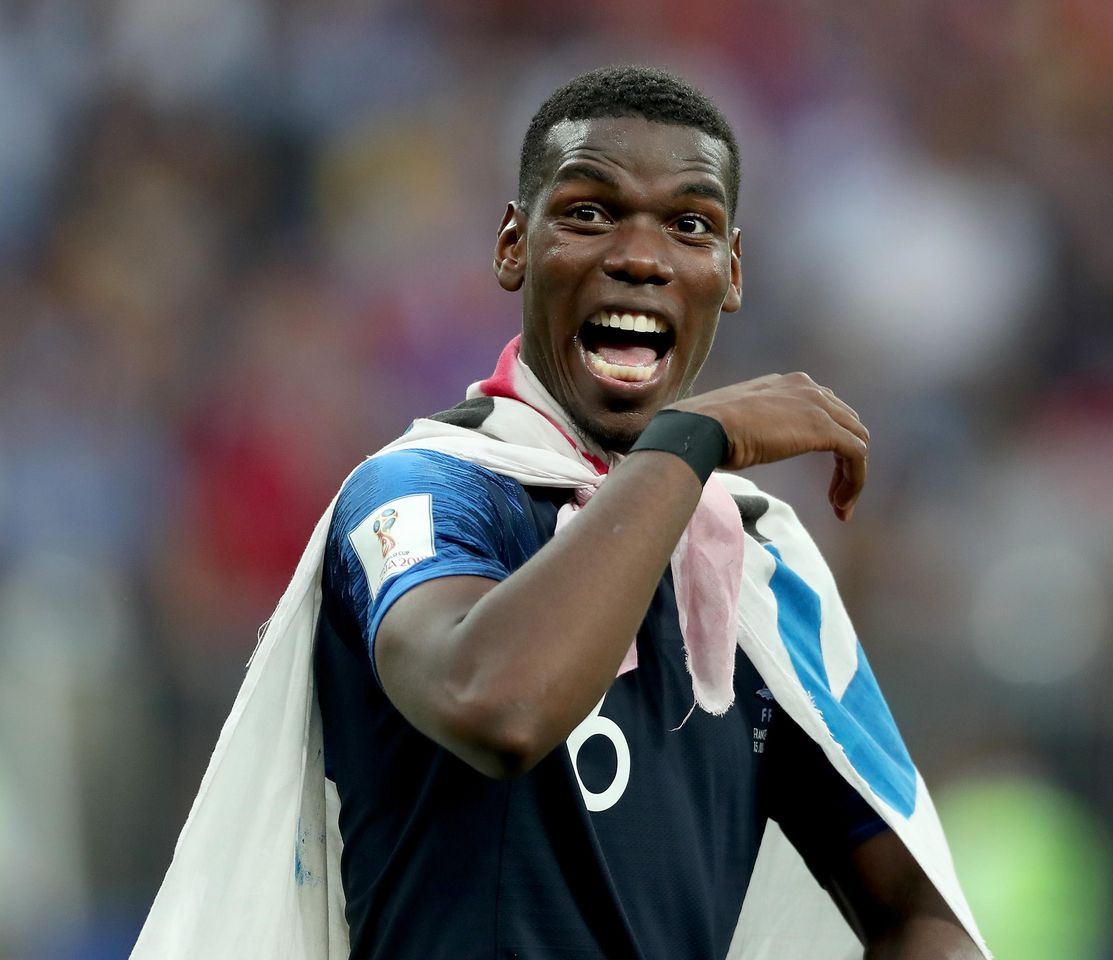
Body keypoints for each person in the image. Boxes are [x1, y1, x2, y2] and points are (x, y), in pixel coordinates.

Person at [311, 65, 984, 960]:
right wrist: (687, 441)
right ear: (514, 246)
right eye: (589, 212)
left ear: (730, 272)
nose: (640, 255)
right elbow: (496, 706)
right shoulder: (427, 492)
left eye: (690, 226)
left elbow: (916, 910)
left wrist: (681, 456)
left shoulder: (755, 564)